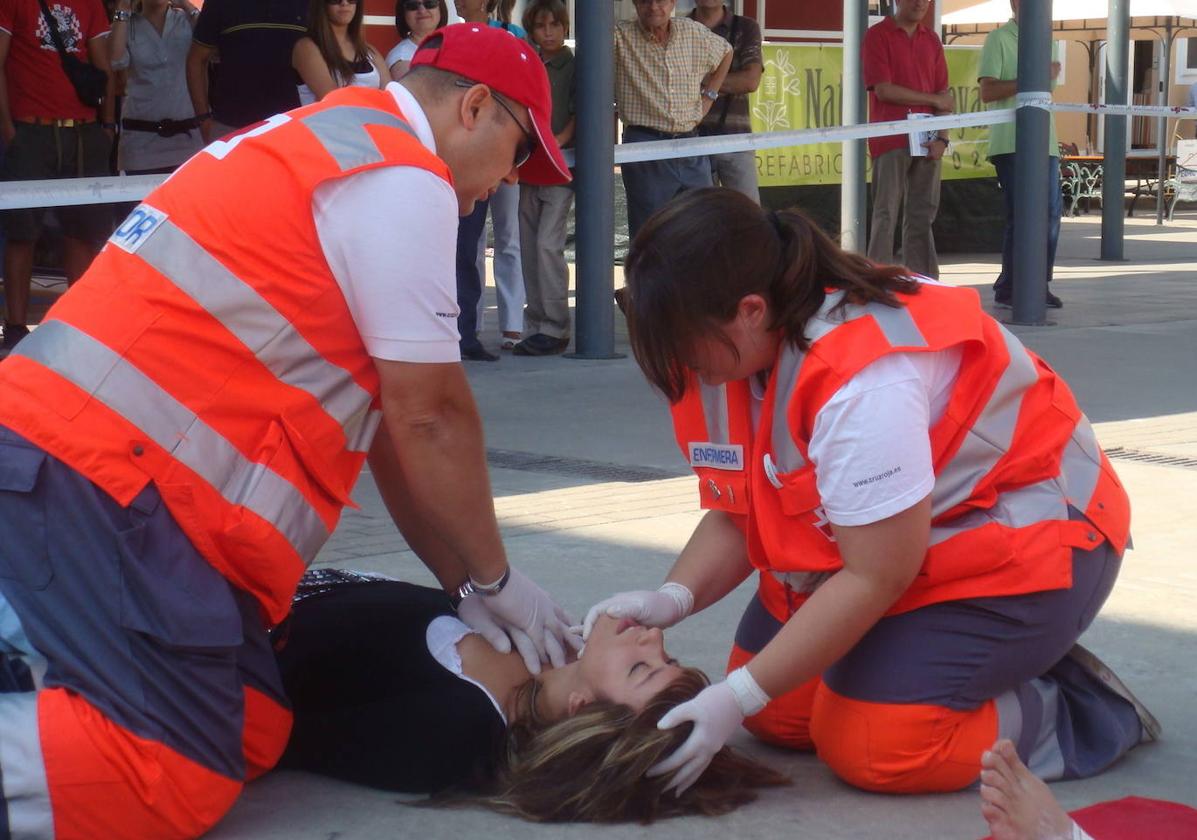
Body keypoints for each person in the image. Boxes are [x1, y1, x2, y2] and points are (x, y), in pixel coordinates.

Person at [0, 24, 576, 838]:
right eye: (520, 156)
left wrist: (468, 588)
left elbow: (393, 438)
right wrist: (496, 579)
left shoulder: (328, 144)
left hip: (95, 476)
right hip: (96, 482)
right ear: (476, 108)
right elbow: (429, 415)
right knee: (169, 768)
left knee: (253, 721)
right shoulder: (400, 177)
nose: (504, 185)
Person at [585, 188, 1157, 798]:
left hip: (1035, 544)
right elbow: (737, 511)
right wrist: (672, 597)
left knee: (877, 745)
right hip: (900, 544)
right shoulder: (732, 352)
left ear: (750, 310)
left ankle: (1075, 707)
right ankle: (923, 668)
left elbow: (876, 576)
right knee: (776, 715)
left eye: (677, 339)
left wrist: (740, 690)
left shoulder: (862, 384)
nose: (672, 361)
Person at [274, 569, 787, 821]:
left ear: (581, 708)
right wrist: (467, 581)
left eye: (640, 668)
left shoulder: (454, 732)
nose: (654, 638)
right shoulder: (544, 644)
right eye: (668, 660)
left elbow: (280, 726)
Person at [0, 0, 115, 356]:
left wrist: (107, 126)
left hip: (83, 131)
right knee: (22, 231)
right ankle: (16, 327)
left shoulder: (91, 3)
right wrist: (8, 130)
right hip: (31, 129)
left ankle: (76, 324)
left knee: (84, 231)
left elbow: (104, 66)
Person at [614, 0, 732, 241]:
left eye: (662, 0)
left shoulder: (690, 31)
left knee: (702, 227)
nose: (654, 7)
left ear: (673, 3)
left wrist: (709, 96)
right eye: (646, 0)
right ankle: (648, 280)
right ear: (635, 3)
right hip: (646, 145)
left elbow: (726, 52)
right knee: (650, 233)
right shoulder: (620, 37)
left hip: (690, 144)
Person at [454, 0, 529, 358]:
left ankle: (513, 321)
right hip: (471, 152)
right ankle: (474, 324)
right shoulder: (452, 38)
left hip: (507, 148)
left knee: (508, 235)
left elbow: (523, 93)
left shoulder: (514, 37)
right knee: (473, 241)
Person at [979, 0, 1063, 309]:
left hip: (1045, 140)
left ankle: (1036, 282)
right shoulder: (998, 39)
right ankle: (1013, 285)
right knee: (1021, 215)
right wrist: (1033, 75)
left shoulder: (1049, 41)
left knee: (1051, 214)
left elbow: (1045, 88)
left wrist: (1040, 75)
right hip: (1010, 141)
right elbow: (987, 91)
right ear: (1015, 4)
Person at [862, 0, 951, 279]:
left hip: (928, 136)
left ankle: (924, 282)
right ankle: (877, 280)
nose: (920, 3)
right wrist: (932, 99)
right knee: (885, 212)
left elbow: (945, 95)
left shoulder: (932, 39)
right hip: (891, 136)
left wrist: (943, 139)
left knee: (922, 214)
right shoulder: (878, 35)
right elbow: (884, 90)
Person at [513, 0, 574, 357]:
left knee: (548, 245)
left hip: (561, 165)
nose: (548, 32)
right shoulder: (529, 63)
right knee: (528, 244)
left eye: (555, 25)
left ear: (565, 28)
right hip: (528, 164)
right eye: (541, 26)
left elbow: (580, 113)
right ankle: (535, 323)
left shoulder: (575, 64)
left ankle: (555, 326)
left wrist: (555, 143)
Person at [186, 0, 307, 143]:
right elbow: (196, 60)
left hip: (293, 130)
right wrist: (203, 120)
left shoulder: (310, 5)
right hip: (231, 129)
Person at [109, 0, 204, 177]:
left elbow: (213, 46)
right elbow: (116, 60)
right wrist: (122, 9)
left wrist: (186, 5)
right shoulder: (126, 25)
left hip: (188, 139)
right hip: (140, 141)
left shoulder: (186, 20)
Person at [688, 0, 763, 204]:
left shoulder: (746, 27)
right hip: (691, 141)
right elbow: (672, 82)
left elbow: (750, 81)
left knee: (749, 218)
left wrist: (702, 84)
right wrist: (726, 80)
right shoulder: (680, 28)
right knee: (697, 218)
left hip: (736, 139)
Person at [292, 0, 390, 106]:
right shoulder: (306, 48)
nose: (344, 3)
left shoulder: (370, 51)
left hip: (374, 120)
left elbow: (390, 96)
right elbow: (333, 100)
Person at [386, 0, 447, 79]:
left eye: (430, 3)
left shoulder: (451, 45)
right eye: (412, 5)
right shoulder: (402, 58)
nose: (422, 10)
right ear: (403, 13)